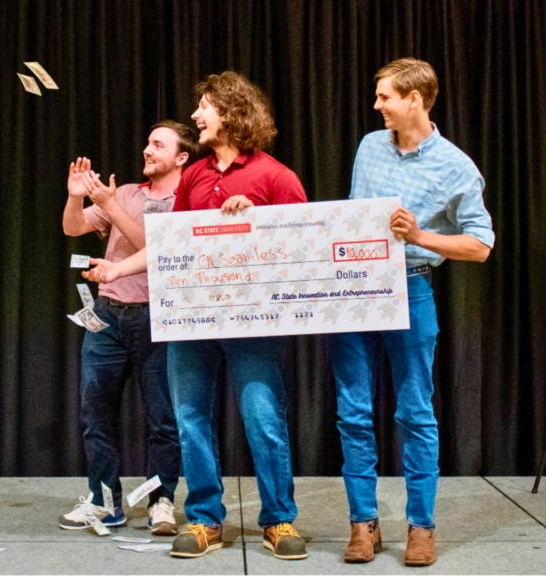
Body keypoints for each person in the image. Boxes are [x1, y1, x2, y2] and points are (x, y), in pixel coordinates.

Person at [83, 72, 309, 561]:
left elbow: (302, 248)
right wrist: (118, 266)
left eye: (204, 106)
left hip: (252, 325)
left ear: (229, 112)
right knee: (190, 419)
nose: (195, 115)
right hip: (191, 319)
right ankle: (205, 518)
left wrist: (255, 219)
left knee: (262, 417)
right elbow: (171, 246)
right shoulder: (195, 177)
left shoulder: (276, 176)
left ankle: (280, 518)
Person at [330, 58, 494, 567]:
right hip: (354, 291)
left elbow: (482, 244)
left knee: (415, 413)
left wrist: (421, 235)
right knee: (353, 411)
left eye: (384, 97)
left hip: (412, 289)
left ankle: (421, 527)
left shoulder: (455, 165)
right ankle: (364, 524)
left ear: (414, 100)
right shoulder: (369, 146)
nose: (376, 105)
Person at [58, 120, 198, 535]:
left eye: (158, 144)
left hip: (158, 317)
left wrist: (111, 204)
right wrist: (75, 198)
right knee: (94, 413)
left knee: (162, 418)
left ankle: (161, 501)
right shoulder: (125, 193)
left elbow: (157, 249)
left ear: (181, 157)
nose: (147, 150)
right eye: (147, 142)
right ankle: (104, 502)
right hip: (107, 315)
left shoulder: (184, 200)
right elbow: (73, 227)